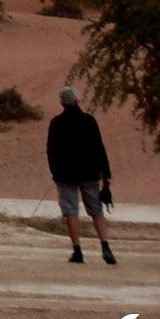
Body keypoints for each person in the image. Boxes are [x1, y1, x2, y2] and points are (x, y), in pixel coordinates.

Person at [47, 86, 115, 265]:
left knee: (70, 211)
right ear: (77, 101)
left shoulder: (56, 123)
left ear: (63, 102)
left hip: (65, 174)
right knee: (96, 210)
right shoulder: (89, 121)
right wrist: (105, 174)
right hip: (90, 173)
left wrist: (55, 171)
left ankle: (77, 250)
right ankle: (105, 246)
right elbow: (99, 148)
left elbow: (51, 150)